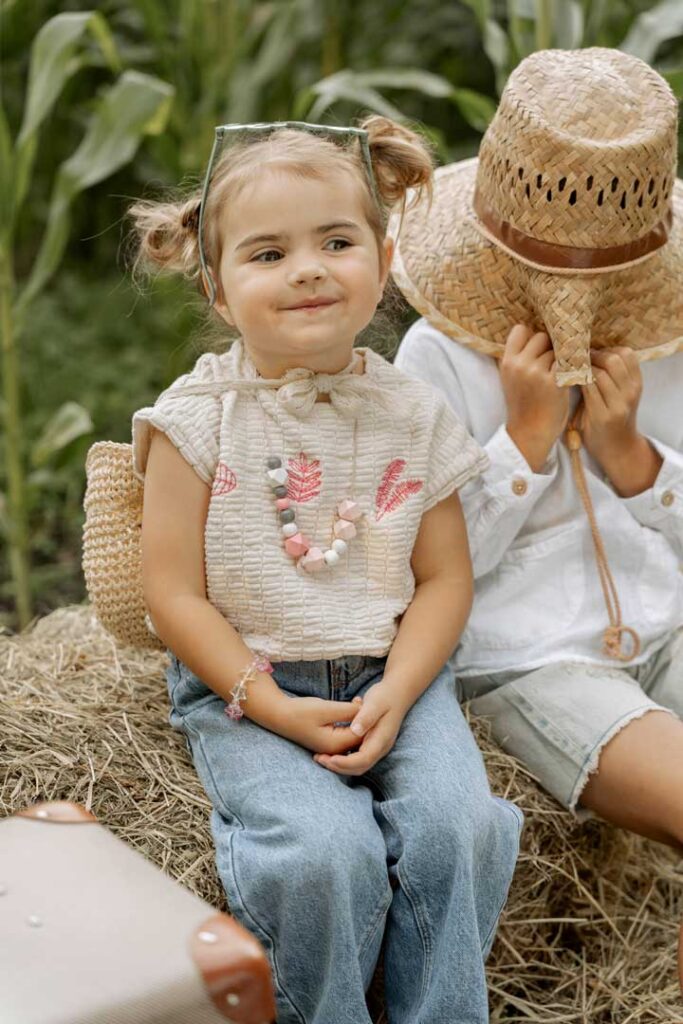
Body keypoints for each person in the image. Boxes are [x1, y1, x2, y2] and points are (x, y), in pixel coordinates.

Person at [128, 116, 522, 1024]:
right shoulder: (195, 420)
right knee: (319, 855)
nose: (307, 268)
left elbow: (443, 581)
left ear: (382, 264)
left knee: (455, 826)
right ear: (219, 292)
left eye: (336, 242)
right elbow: (172, 593)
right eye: (267, 254)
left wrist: (400, 690)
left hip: (399, 680)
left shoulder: (411, 411)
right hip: (248, 689)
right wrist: (265, 701)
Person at [392, 48, 683, 983]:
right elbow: (415, 571)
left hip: (668, 623)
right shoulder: (435, 357)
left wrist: (633, 461)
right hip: (530, 658)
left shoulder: (669, 342)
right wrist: (519, 444)